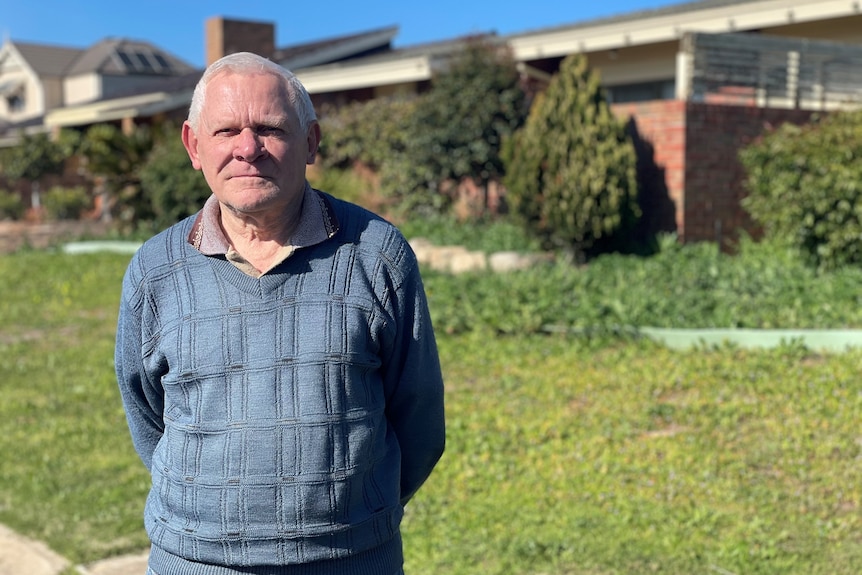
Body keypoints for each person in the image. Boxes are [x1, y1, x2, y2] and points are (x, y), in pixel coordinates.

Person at [115, 51, 445, 575]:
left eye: (269, 128)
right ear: (193, 146)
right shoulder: (154, 270)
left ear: (311, 142)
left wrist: (351, 517)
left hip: (351, 562)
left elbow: (420, 417)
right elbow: (147, 416)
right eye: (225, 131)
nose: (248, 149)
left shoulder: (378, 254)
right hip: (195, 563)